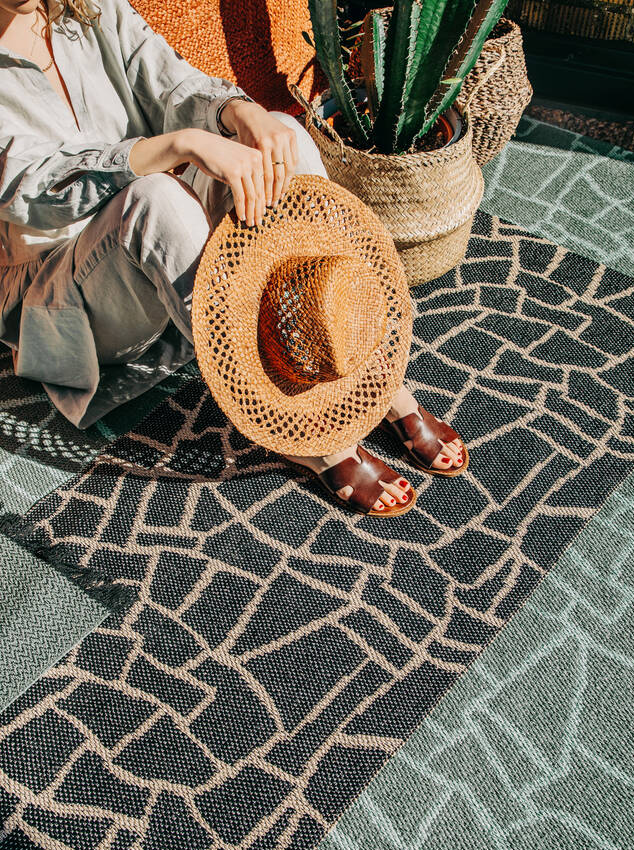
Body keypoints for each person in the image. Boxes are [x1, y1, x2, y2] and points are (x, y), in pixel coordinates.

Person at [0, 0, 467, 517]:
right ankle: (307, 430)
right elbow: (30, 186)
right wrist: (180, 145)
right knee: (157, 198)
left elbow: (170, 80)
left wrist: (238, 113)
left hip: (157, 241)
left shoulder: (82, 7)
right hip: (64, 290)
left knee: (280, 138)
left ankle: (368, 371)